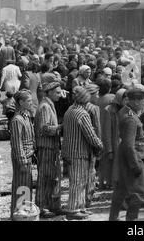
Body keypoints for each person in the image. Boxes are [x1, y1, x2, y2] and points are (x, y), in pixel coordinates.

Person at [62, 86, 103, 220]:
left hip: (69, 151)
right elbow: (90, 135)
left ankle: (79, 207)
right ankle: (73, 209)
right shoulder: (82, 114)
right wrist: (99, 145)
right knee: (78, 182)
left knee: (77, 181)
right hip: (79, 153)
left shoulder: (69, 110)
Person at [109, 87, 144, 221]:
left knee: (122, 189)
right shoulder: (131, 118)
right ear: (136, 101)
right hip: (133, 157)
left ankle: (113, 218)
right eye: (143, 100)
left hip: (124, 156)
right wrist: (135, 165)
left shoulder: (125, 111)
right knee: (139, 192)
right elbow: (129, 145)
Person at [34, 81, 64, 218]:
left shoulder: (50, 105)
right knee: (44, 178)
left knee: (53, 177)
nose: (60, 95)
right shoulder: (45, 107)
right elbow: (44, 128)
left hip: (51, 147)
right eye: (57, 93)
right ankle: (41, 207)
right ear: (50, 92)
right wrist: (60, 128)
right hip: (45, 147)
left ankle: (53, 205)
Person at [10, 90, 35, 220]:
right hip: (23, 158)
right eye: (29, 101)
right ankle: (19, 214)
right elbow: (17, 143)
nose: (31, 103)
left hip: (28, 156)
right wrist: (23, 161)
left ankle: (24, 213)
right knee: (22, 186)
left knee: (26, 186)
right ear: (21, 102)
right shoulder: (17, 120)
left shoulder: (26, 116)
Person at [102, 88, 127, 190]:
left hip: (125, 142)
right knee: (113, 166)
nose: (127, 101)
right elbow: (107, 131)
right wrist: (109, 149)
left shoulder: (128, 110)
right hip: (115, 143)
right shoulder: (109, 110)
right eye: (125, 98)